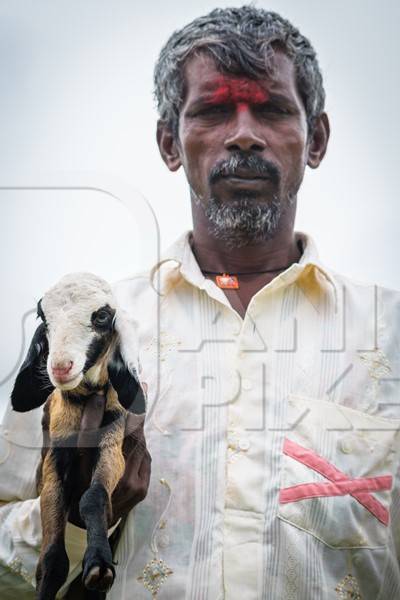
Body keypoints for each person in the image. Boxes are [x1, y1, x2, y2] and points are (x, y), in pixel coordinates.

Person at [1, 5, 400, 599]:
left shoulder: (388, 334)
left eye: (272, 108)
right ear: (170, 141)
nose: (243, 133)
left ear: (315, 140)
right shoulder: (85, 331)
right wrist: (86, 519)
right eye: (214, 110)